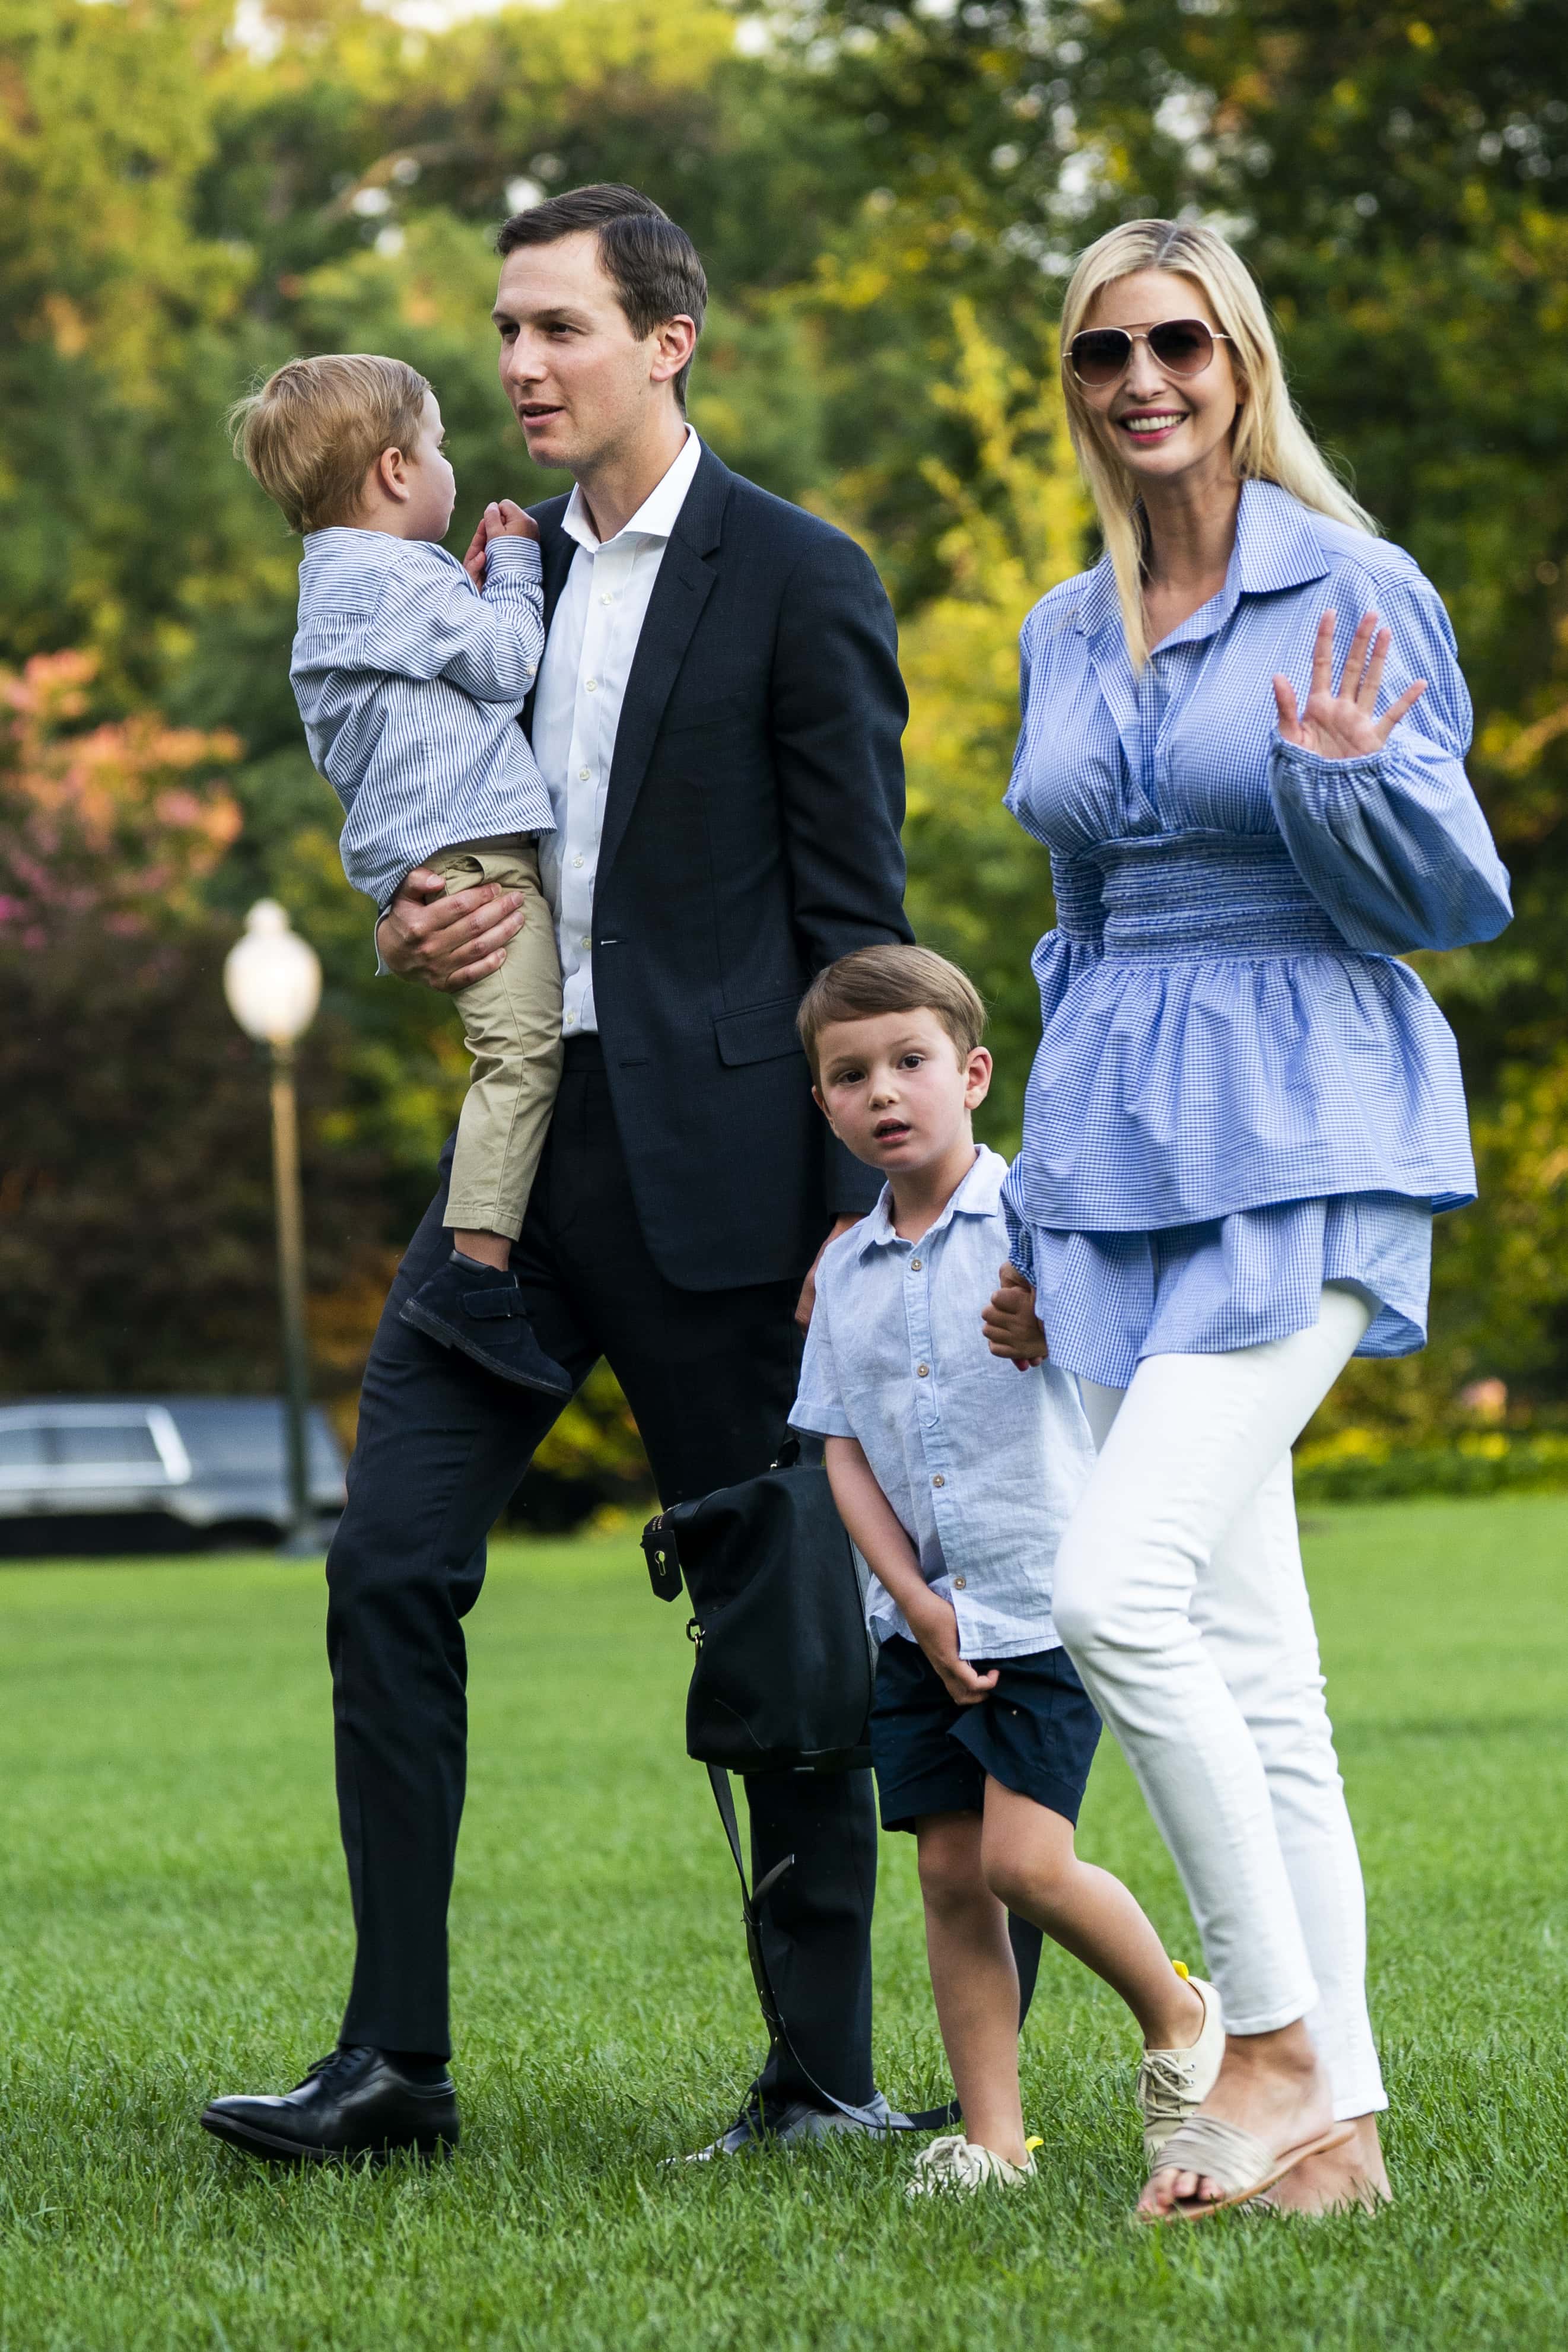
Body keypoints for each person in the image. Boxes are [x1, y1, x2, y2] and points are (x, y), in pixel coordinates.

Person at [202, 183, 924, 2166]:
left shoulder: (798, 575)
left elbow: (859, 920)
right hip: (514, 1165)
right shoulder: (450, 571)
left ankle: (820, 2077)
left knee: (776, 1621)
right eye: (504, 331)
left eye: (558, 329)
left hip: (726, 1178)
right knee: (387, 1565)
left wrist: (865, 1219)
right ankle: (392, 2064)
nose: (520, 364)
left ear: (666, 340)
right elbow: (426, 811)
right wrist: (402, 927)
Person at [982, 217, 1512, 2223]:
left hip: (1306, 1121)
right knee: (1250, 1658)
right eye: (1101, 351)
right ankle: (1337, 2141)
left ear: (1239, 360)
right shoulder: (1060, 623)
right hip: (1119, 1148)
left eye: (1176, 343)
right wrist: (1033, 1206)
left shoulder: (1346, 590)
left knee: (1116, 1591)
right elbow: (1073, 926)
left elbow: (1454, 895)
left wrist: (1347, 783)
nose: (1140, 380)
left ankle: (1269, 2040)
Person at [790, 945, 1224, 2195]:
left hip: (1041, 1596)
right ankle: (991, 2139)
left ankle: (1180, 2016)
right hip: (921, 1622)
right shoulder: (846, 1272)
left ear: (971, 1073)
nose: (883, 1091)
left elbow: (1134, 1359)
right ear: (822, 1102)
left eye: (909, 1061)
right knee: (942, 1871)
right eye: (849, 1073)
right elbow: (840, 1450)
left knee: (1023, 1863)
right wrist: (913, 1603)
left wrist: (1056, 1320)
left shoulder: (1038, 1219)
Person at [233, 353, 570, 1398]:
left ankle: (478, 1265)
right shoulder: (386, 577)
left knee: (513, 1053)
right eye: (437, 447)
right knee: (521, 1056)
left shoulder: (349, 581)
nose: (450, 467)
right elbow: (508, 668)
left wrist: (462, 591)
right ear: (391, 469)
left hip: (439, 853)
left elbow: (441, 697)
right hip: (476, 863)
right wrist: (514, 568)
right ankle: (474, 1278)